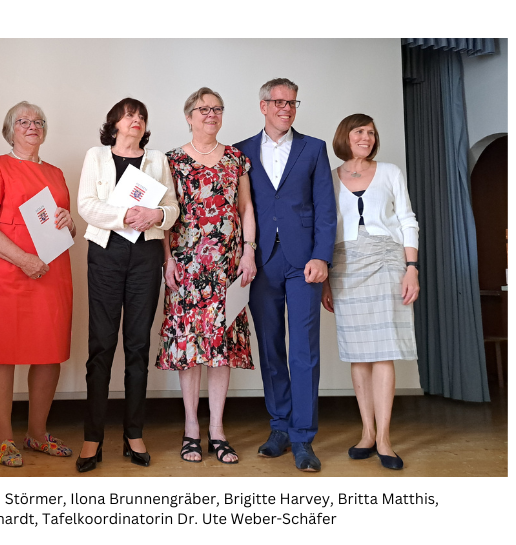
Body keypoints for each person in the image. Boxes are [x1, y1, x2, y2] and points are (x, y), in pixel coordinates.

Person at [235, 78, 336, 472]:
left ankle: (303, 437)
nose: (286, 108)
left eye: (292, 102)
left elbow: (325, 208)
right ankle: (279, 427)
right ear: (263, 106)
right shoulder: (241, 151)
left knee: (304, 351)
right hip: (261, 262)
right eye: (278, 102)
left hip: (304, 262)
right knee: (271, 346)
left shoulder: (314, 148)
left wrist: (322, 257)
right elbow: (238, 209)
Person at [0, 102, 75, 466]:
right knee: (3, 352)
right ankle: (2, 439)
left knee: (49, 351)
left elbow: (65, 226)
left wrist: (69, 221)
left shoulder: (58, 173)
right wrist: (23, 260)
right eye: (23, 121)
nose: (32, 126)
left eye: (39, 121)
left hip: (52, 271)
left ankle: (37, 434)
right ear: (9, 129)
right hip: (7, 273)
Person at [76, 98, 179, 472]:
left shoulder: (157, 161)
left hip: (145, 259)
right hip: (105, 256)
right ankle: (93, 437)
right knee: (101, 345)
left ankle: (134, 433)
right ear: (115, 123)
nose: (135, 120)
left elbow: (172, 210)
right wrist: (126, 214)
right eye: (128, 114)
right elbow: (86, 205)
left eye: (141, 116)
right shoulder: (96, 157)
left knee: (137, 345)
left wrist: (156, 214)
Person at [157, 87, 256, 465]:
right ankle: (191, 429)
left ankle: (216, 429)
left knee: (222, 347)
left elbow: (245, 207)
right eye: (203, 109)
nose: (210, 114)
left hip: (228, 269)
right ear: (189, 115)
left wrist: (249, 251)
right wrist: (166, 259)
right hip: (186, 265)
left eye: (217, 109)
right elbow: (165, 214)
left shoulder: (236, 159)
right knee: (189, 348)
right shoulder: (172, 161)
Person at [321, 114, 419, 470]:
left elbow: (407, 219)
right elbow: (326, 228)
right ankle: (366, 431)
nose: (366, 137)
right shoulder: (330, 178)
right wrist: (327, 279)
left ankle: (384, 438)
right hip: (345, 266)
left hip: (388, 262)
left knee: (384, 351)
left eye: (371, 133)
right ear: (345, 136)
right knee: (358, 352)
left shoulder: (391, 171)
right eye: (359, 131)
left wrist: (412, 268)